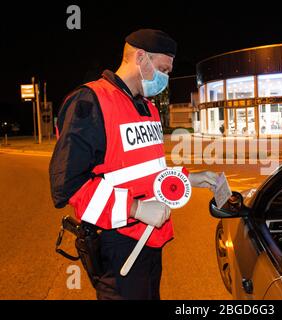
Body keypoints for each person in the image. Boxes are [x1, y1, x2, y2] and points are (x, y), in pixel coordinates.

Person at [49, 29, 218, 300]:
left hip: (151, 240)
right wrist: (136, 208)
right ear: (141, 57)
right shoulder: (90, 101)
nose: (166, 78)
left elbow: (149, 170)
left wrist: (192, 178)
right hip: (118, 245)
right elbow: (69, 184)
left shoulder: (147, 108)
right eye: (163, 69)